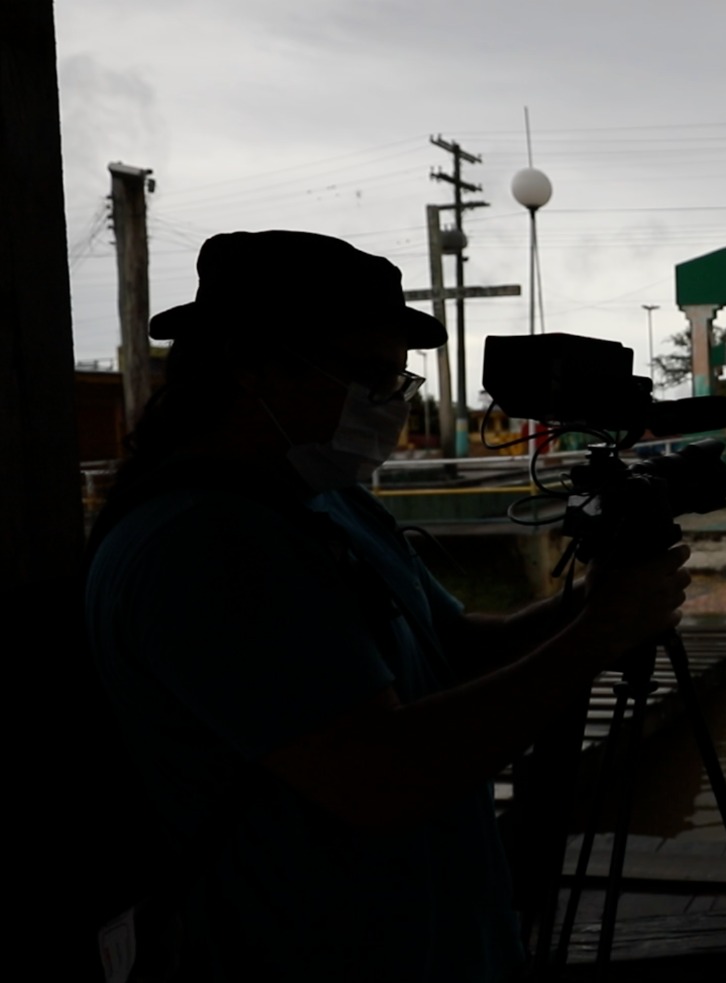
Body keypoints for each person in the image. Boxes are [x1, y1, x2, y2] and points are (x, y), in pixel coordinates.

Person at [84, 231, 690, 981]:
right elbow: (380, 776)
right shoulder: (201, 545)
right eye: (369, 376)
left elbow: (454, 648)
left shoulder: (330, 504)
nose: (391, 404)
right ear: (253, 366)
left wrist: (584, 610)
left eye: (397, 381)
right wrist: (596, 637)